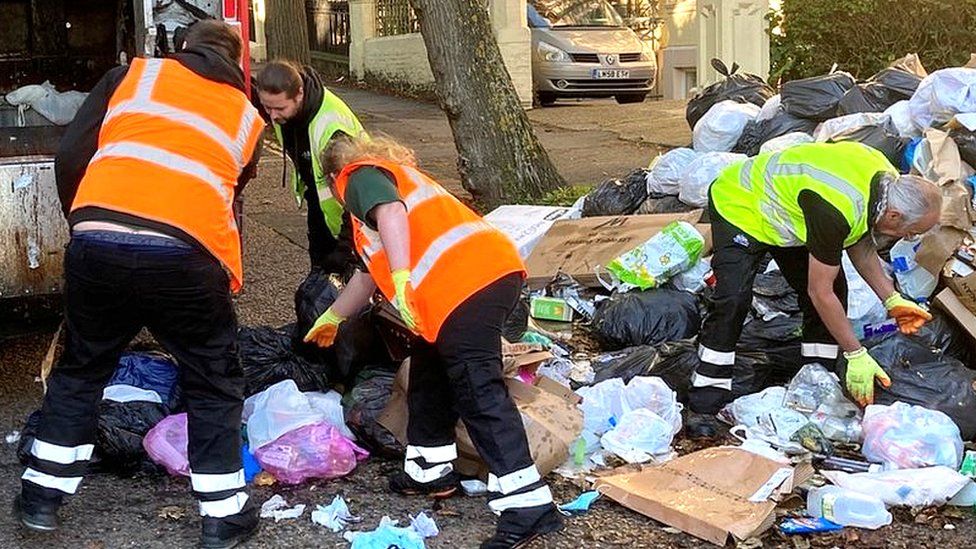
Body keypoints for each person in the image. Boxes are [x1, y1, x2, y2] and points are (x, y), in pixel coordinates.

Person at [14, 21, 265, 549]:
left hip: (99, 240)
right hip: (187, 253)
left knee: (83, 367)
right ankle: (222, 517)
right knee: (211, 377)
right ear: (236, 61)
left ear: (182, 48)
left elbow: (71, 155)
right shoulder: (247, 116)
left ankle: (41, 498)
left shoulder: (132, 76)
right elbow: (229, 190)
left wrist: (85, 221)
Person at [303, 136, 564, 549]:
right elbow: (369, 275)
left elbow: (390, 214)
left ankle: (528, 506)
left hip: (469, 285)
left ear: (334, 177)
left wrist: (404, 276)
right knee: (429, 372)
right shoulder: (390, 185)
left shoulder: (359, 177)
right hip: (475, 281)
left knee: (477, 388)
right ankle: (429, 469)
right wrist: (334, 316)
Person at [687, 141, 941, 434]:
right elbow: (819, 293)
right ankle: (704, 402)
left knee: (837, 289)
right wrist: (855, 353)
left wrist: (892, 299)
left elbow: (861, 244)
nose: (910, 238)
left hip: (787, 215)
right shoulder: (836, 207)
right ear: (894, 215)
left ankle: (815, 383)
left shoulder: (884, 180)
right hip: (741, 205)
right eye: (913, 232)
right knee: (733, 300)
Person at [255, 60, 365, 276]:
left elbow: (356, 195)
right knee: (322, 280)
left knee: (345, 286)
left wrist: (344, 248)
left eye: (279, 108)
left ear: (300, 94)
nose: (273, 116)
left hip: (351, 216)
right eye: (267, 107)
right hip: (321, 203)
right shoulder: (290, 108)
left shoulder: (333, 129)